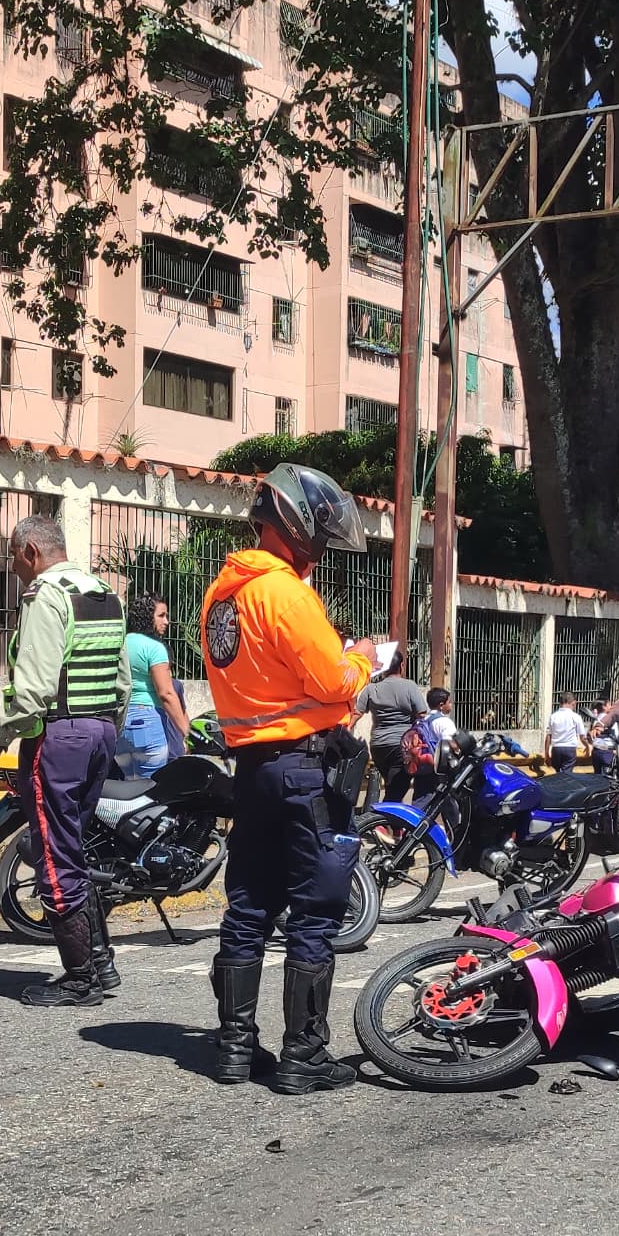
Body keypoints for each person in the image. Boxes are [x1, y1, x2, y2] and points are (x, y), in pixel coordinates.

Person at [199, 463, 377, 1094]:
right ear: (298, 529)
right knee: (313, 909)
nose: (322, 551)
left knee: (247, 906)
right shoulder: (285, 594)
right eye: (321, 539)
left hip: (251, 769)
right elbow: (331, 683)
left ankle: (233, 1050)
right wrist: (362, 661)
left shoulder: (223, 593)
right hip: (306, 770)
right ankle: (303, 1054)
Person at [0, 514, 130, 1006]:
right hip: (101, 732)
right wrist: (102, 733)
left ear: (30, 553)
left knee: (55, 855)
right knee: (72, 846)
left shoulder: (46, 596)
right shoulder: (105, 595)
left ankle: (80, 979)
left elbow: (34, 690)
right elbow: (121, 683)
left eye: (13, 558)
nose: (13, 569)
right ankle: (101, 964)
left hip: (58, 737)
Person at [115, 593, 188, 776]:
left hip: (120, 722)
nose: (167, 622)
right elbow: (166, 693)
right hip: (148, 722)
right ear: (148, 617)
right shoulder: (155, 648)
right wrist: (186, 731)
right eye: (161, 615)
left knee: (129, 787)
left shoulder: (119, 644)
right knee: (151, 787)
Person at [356, 647, 431, 803]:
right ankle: (380, 821)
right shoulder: (409, 686)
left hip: (378, 746)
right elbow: (422, 714)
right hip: (402, 747)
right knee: (396, 791)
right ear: (402, 666)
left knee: (393, 786)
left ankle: (395, 826)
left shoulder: (371, 689)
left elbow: (356, 714)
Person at [545, 690, 589, 772]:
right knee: (567, 774)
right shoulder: (576, 717)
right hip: (569, 749)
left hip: (556, 749)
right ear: (573, 702)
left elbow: (548, 736)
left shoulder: (553, 716)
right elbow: (582, 737)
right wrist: (587, 746)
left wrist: (546, 753)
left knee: (557, 773)